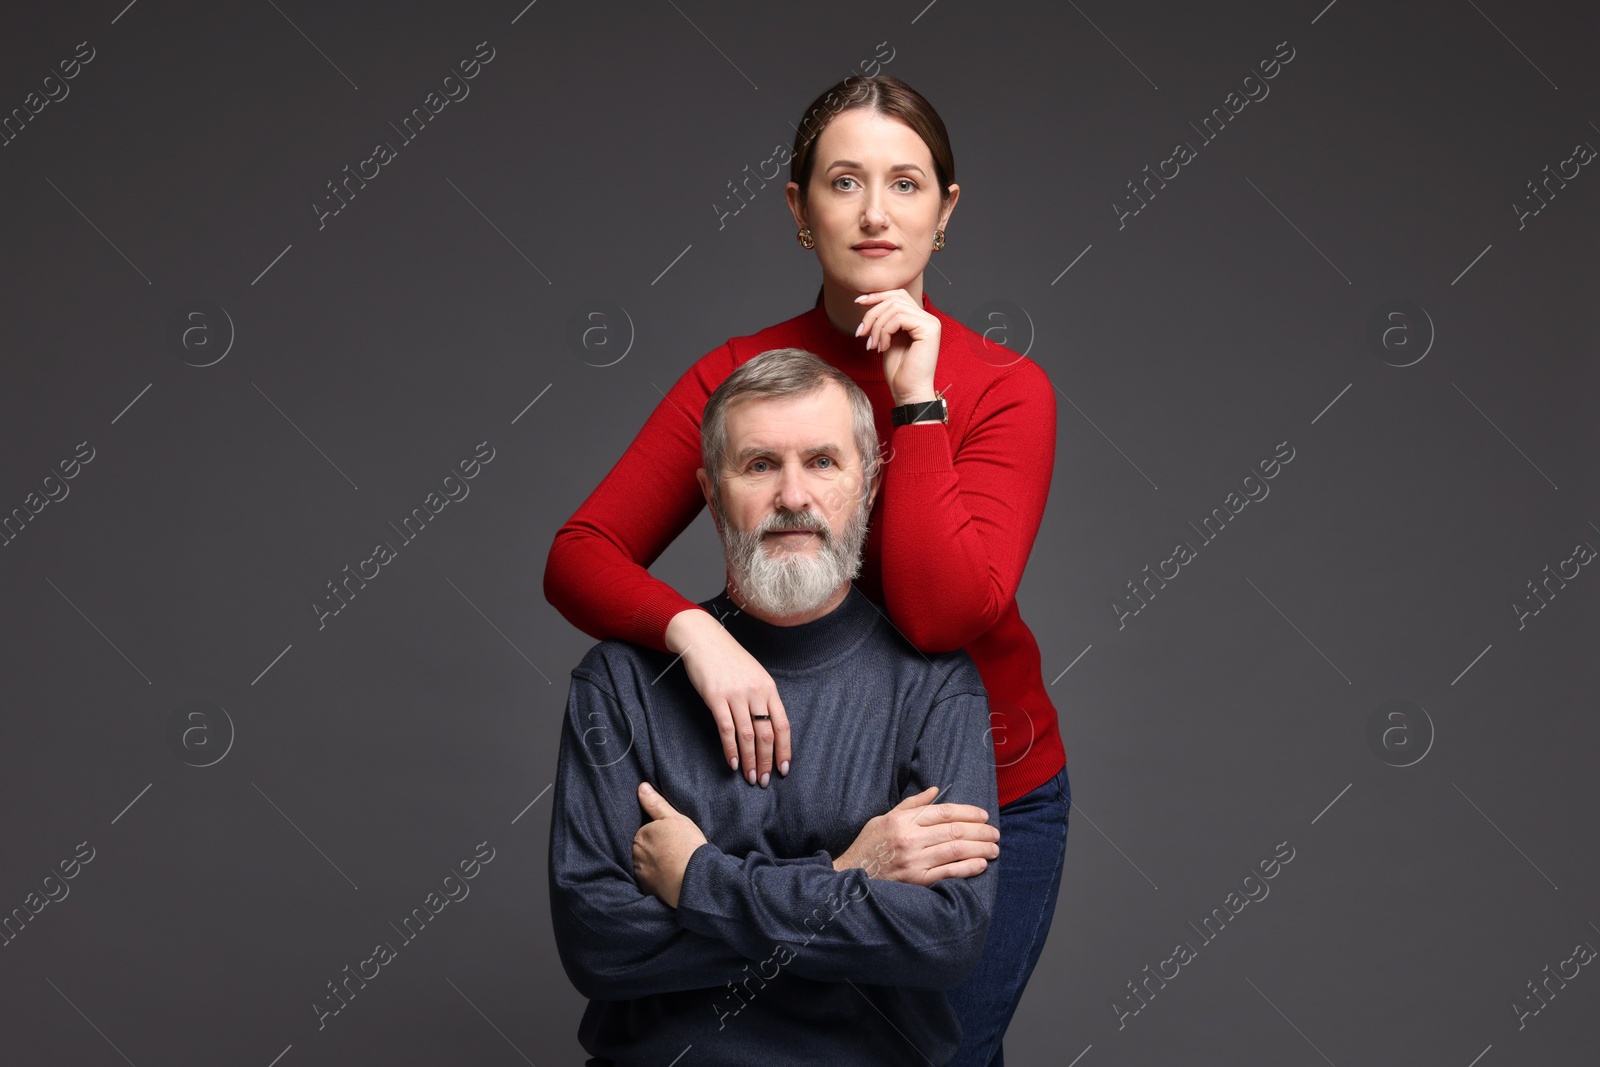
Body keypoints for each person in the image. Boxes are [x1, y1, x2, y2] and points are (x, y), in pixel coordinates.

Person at [544, 75, 1068, 1065]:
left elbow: (937, 616)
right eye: (842, 181)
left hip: (961, 784)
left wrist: (917, 407)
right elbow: (579, 555)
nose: (875, 212)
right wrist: (695, 636)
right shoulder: (739, 380)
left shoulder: (1002, 388)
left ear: (944, 212)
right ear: (798, 208)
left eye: (905, 183)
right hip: (775, 774)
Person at [548, 349, 1000, 1066]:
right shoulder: (622, 682)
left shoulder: (935, 684)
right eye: (759, 465)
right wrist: (853, 871)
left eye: (823, 461)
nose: (793, 495)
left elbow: (945, 939)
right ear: (711, 489)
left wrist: (698, 880)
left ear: (869, 482)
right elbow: (599, 944)